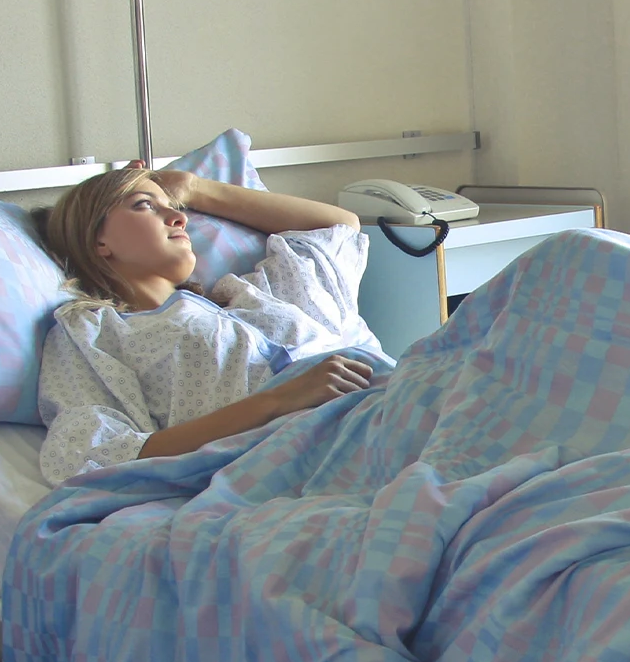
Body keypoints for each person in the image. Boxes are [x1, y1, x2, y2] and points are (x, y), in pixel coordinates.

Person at [32, 166, 386, 484]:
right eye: (144, 205)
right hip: (316, 454)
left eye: (174, 207)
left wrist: (193, 188)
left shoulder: (248, 296)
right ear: (98, 240)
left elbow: (337, 227)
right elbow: (92, 454)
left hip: (382, 405)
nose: (178, 217)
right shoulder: (92, 331)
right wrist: (277, 400)